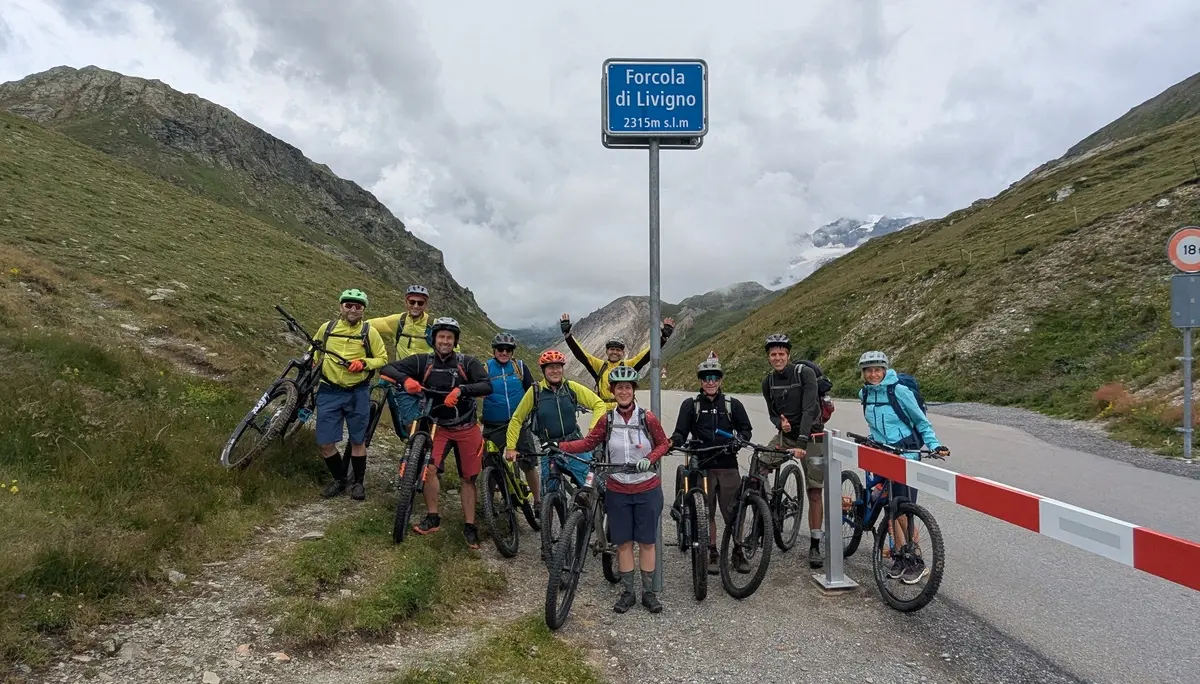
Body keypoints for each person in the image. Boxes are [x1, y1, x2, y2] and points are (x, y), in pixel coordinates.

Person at [557, 366, 672, 614]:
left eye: (627, 387)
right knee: (623, 543)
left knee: (647, 542)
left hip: (646, 488)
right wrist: (561, 446)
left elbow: (664, 443)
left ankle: (648, 593)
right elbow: (589, 443)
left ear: (633, 390)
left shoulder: (647, 418)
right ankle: (629, 592)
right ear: (613, 391)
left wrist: (651, 457)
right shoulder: (607, 420)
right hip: (618, 489)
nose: (623, 391)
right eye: (619, 387)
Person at [379, 317, 492, 549]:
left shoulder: (467, 362)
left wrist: (461, 390)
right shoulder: (424, 361)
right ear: (434, 339)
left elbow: (486, 385)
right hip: (437, 427)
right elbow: (388, 368)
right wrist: (407, 379)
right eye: (441, 337)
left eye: (450, 338)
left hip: (466, 427)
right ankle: (433, 517)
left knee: (468, 478)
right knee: (428, 470)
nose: (445, 341)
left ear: (455, 341)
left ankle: (470, 526)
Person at [857, 350, 950, 584]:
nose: (873, 374)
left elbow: (921, 421)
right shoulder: (865, 394)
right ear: (863, 373)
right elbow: (875, 424)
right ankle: (899, 557)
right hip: (881, 453)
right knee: (890, 507)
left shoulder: (899, 391)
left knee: (903, 510)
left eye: (878, 369)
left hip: (905, 454)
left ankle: (915, 560)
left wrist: (935, 445)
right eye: (868, 370)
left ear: (885, 369)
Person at [669, 358, 753, 573]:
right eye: (706, 378)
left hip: (727, 465)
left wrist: (740, 439)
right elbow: (680, 432)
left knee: (733, 512)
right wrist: (673, 442)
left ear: (720, 380)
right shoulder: (691, 405)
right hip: (703, 466)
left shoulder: (732, 404)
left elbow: (745, 430)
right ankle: (712, 551)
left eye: (714, 377)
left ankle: (737, 551)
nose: (710, 382)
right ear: (700, 381)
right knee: (706, 512)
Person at [311, 289, 388, 501]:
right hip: (329, 391)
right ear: (341, 306)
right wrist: (312, 361)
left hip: (357, 392)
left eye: (358, 306)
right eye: (348, 305)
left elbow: (382, 358)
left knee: (357, 440)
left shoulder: (369, 332)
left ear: (363, 310)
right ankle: (340, 479)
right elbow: (315, 350)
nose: (353, 309)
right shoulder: (327, 328)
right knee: (325, 443)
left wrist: (364, 363)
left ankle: (358, 484)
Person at [760, 332, 827, 569]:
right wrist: (780, 424)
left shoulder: (805, 374)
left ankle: (815, 545)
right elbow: (771, 413)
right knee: (759, 465)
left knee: (815, 490)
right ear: (768, 357)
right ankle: (765, 511)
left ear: (788, 355)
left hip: (813, 438)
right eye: (773, 354)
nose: (777, 357)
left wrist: (801, 443)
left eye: (781, 353)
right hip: (786, 437)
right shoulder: (768, 382)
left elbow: (809, 410)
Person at [505, 349, 607, 492]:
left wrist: (592, 429)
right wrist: (510, 448)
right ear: (544, 370)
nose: (555, 371)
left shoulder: (570, 387)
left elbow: (599, 404)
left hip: (574, 444)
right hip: (549, 448)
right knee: (548, 492)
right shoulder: (535, 392)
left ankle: (591, 511)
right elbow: (517, 419)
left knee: (593, 486)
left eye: (558, 367)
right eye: (550, 367)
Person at [559, 313, 675, 408]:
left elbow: (646, 354)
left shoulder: (629, 365)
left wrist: (663, 338)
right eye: (611, 349)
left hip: (625, 409)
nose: (614, 352)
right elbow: (581, 355)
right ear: (607, 351)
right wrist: (568, 335)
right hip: (603, 411)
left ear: (623, 353)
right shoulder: (599, 366)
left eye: (618, 350)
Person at [480, 332, 539, 510]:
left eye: (508, 349)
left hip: (519, 424)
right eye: (500, 349)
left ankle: (537, 501)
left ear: (512, 351)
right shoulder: (486, 369)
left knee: (528, 463)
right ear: (494, 350)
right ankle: (488, 504)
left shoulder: (520, 367)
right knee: (489, 466)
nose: (504, 352)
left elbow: (531, 391)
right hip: (493, 424)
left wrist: (535, 412)